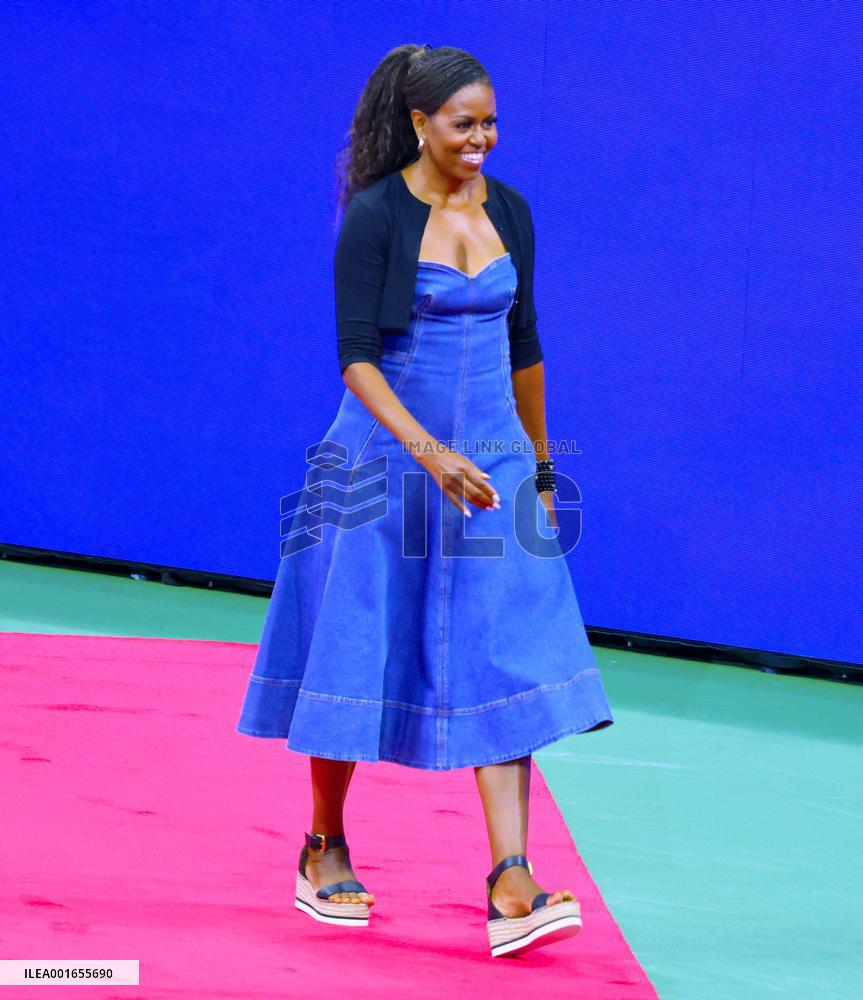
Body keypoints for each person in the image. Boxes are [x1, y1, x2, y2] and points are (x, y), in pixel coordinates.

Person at [236, 44, 615, 958]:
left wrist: (534, 460)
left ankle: (511, 879)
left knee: (503, 649)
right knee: (356, 645)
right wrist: (428, 454)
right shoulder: (375, 215)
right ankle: (324, 843)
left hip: (486, 468)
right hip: (381, 460)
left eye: (490, 123)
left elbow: (525, 342)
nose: (480, 138)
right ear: (418, 124)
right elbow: (355, 355)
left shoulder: (512, 211)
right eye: (462, 124)